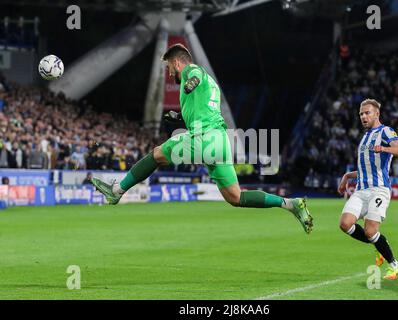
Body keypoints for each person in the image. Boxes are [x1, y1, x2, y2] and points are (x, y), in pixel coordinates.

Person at [91, 43, 313, 233]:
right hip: (220, 142)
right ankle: (289, 204)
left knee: (157, 154)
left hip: (204, 138)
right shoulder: (210, 86)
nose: (169, 72)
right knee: (236, 197)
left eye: (169, 67)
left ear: (177, 63)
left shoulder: (192, 71)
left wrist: (191, 82)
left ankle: (117, 191)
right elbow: (202, 110)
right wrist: (178, 116)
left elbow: (194, 74)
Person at [337, 99, 398, 280]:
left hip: (379, 189)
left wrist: (384, 148)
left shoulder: (385, 131)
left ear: (377, 113)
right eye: (361, 114)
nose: (363, 117)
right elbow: (364, 168)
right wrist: (346, 177)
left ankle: (394, 264)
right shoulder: (364, 138)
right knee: (345, 224)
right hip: (361, 190)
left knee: (370, 231)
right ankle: (378, 246)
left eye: (367, 113)